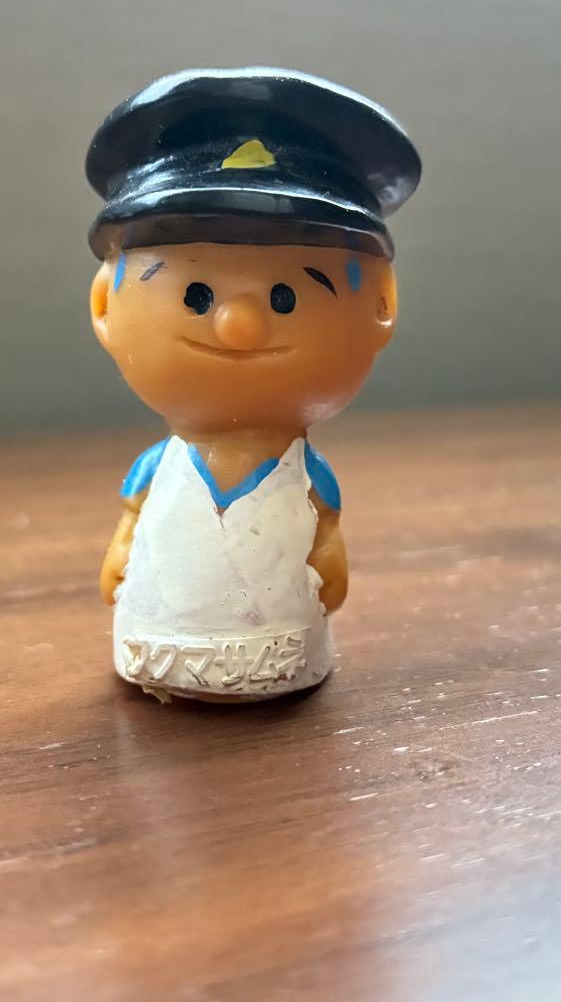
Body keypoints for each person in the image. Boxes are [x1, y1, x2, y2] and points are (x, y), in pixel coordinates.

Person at [86, 67, 421, 701]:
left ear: (382, 304)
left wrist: (328, 557)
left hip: (284, 642)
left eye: (285, 297)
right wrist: (122, 549)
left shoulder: (307, 476)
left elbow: (324, 530)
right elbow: (133, 519)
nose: (238, 325)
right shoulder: (159, 469)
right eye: (196, 294)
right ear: (105, 303)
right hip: (158, 635)